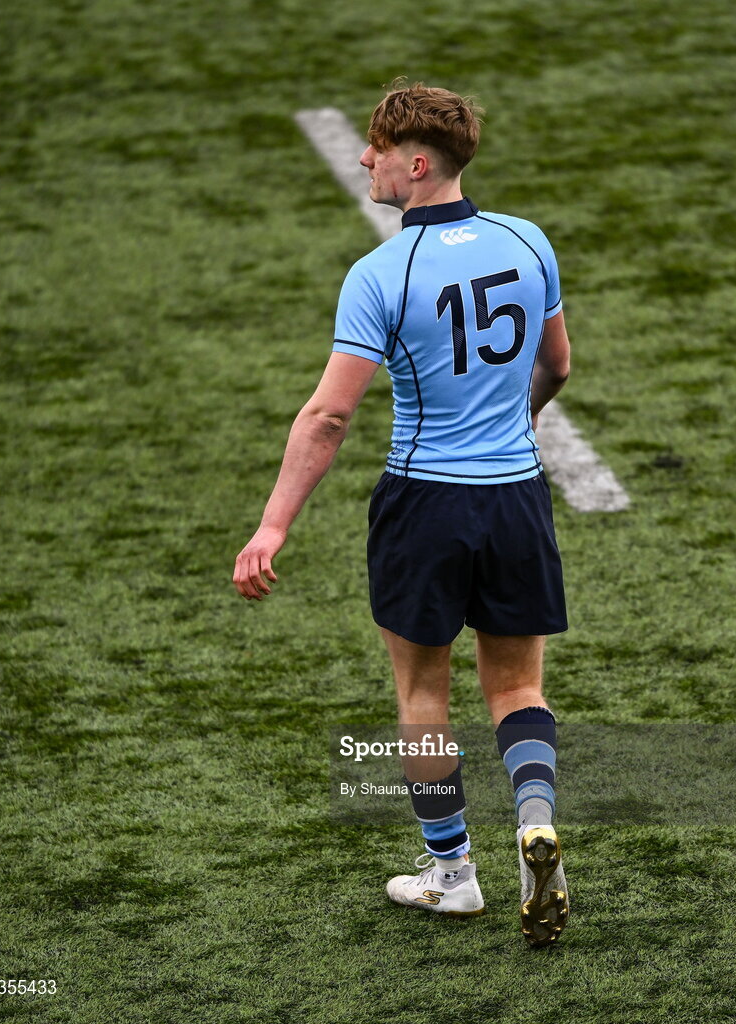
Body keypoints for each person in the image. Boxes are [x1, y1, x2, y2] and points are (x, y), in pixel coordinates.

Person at [233, 82, 571, 946]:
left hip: (426, 505)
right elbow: (558, 366)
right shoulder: (528, 242)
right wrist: (508, 429)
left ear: (416, 165)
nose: (363, 159)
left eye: (376, 150)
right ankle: (535, 820)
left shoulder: (383, 272)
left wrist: (272, 526)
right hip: (518, 498)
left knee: (423, 692)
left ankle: (453, 874)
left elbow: (330, 416)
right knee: (518, 687)